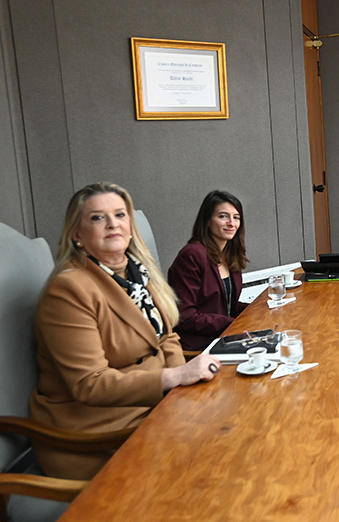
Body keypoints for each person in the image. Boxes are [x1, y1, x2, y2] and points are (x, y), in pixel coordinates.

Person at [30, 182, 220, 480]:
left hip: (155, 411)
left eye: (120, 214)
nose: (111, 224)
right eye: (97, 217)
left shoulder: (139, 273)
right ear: (77, 235)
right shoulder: (68, 289)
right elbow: (89, 384)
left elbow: (167, 338)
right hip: (98, 435)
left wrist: (181, 395)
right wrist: (174, 378)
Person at [168, 191, 249, 351]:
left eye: (236, 217)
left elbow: (224, 305)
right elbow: (185, 316)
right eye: (223, 216)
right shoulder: (192, 255)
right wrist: (236, 323)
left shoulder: (230, 255)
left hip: (227, 336)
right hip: (199, 346)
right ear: (207, 221)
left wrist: (258, 309)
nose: (231, 223)